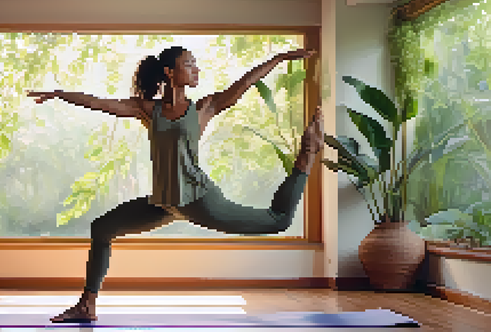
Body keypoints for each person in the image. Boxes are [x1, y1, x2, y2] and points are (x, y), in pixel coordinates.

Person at [27, 45, 323, 323]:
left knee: (279, 221)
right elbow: (99, 103)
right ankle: (87, 305)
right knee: (102, 228)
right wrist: (59, 94)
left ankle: (307, 153)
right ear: (169, 72)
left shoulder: (204, 108)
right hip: (164, 203)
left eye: (195, 65)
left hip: (199, 200)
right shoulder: (148, 109)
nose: (196, 69)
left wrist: (282, 58)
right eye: (189, 64)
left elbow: (244, 83)